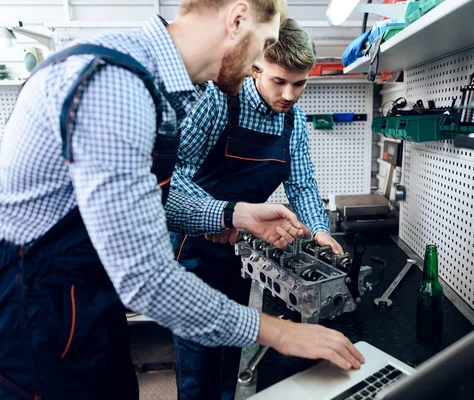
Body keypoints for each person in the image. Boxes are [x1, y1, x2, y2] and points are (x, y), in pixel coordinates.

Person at [0, 1, 363, 399]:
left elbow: (148, 199)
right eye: (265, 41)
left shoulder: (151, 84)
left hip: (88, 297)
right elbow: (147, 278)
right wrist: (280, 333)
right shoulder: (114, 84)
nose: (257, 65)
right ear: (237, 19)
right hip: (41, 313)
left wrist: (234, 214)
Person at [169, 18, 345, 400]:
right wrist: (217, 212)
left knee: (233, 343)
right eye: (279, 81)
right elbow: (171, 175)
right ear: (255, 68)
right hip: (192, 248)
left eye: (299, 84)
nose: (290, 95)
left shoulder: (293, 120)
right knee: (199, 357)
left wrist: (319, 231)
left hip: (239, 249)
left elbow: (301, 183)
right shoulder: (217, 101)